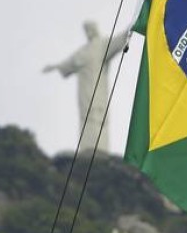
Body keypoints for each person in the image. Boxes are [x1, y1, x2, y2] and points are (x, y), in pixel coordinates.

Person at [43, 20, 130, 153]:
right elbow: (69, 63)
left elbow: (118, 41)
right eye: (86, 30)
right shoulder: (83, 51)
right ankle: (87, 148)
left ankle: (100, 149)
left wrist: (131, 26)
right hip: (84, 94)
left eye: (89, 29)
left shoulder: (102, 45)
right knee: (86, 118)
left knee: (98, 118)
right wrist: (55, 67)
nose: (88, 32)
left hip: (98, 91)